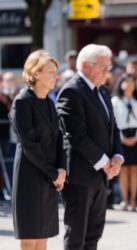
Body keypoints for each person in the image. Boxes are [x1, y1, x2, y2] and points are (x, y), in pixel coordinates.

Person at [56, 44, 124, 250]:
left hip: (100, 176)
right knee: (76, 236)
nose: (107, 71)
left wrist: (118, 157)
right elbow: (76, 136)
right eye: (103, 66)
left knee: (93, 235)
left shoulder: (102, 90)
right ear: (85, 65)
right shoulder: (71, 91)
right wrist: (105, 162)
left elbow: (113, 127)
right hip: (80, 176)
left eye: (109, 66)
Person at [9, 50, 66, 250]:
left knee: (43, 235)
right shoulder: (23, 102)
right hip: (30, 175)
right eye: (50, 72)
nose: (55, 76)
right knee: (31, 236)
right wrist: (53, 173)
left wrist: (62, 169)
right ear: (35, 74)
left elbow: (59, 138)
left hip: (48, 175)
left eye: (55, 72)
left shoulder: (49, 102)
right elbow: (29, 144)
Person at [111, 74, 137, 211]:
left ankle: (133, 200)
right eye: (126, 81)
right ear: (120, 84)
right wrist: (121, 138)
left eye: (132, 81)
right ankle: (124, 200)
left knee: (135, 170)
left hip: (136, 137)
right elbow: (113, 122)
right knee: (123, 171)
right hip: (121, 137)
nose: (129, 84)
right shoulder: (115, 101)